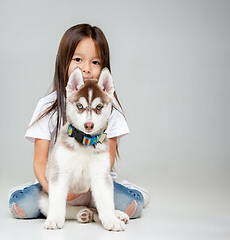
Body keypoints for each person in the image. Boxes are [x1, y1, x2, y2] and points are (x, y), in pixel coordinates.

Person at [8, 23, 150, 220]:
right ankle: (76, 211)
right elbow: (40, 161)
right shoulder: (47, 106)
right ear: (64, 63)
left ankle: (126, 190)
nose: (86, 69)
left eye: (95, 62)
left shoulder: (108, 108)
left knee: (133, 205)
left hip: (94, 184)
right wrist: (56, 192)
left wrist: (83, 191)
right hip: (58, 180)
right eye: (78, 59)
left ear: (104, 67)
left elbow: (107, 160)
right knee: (21, 205)